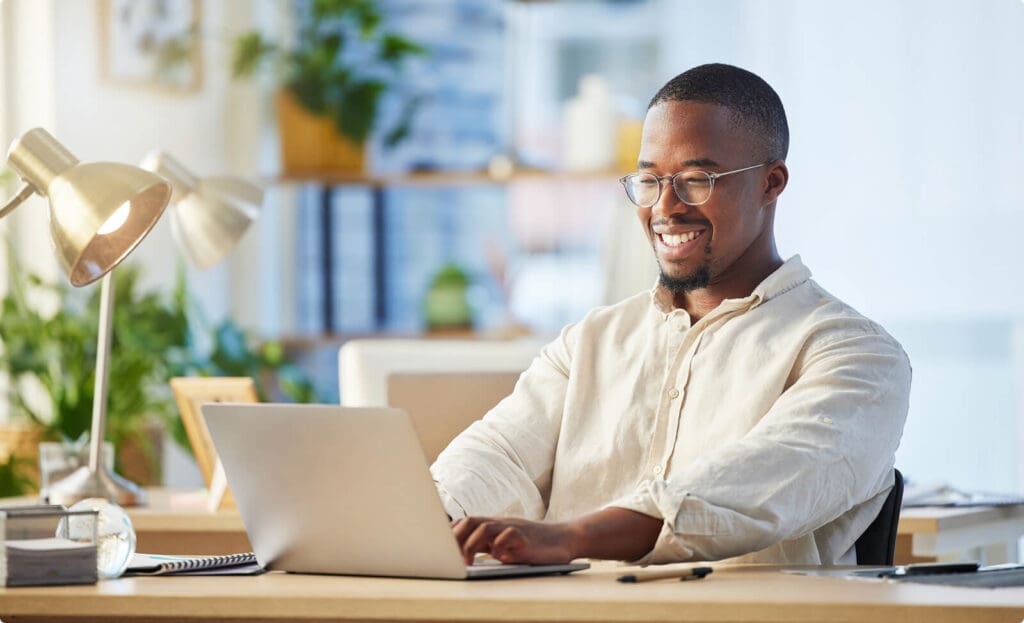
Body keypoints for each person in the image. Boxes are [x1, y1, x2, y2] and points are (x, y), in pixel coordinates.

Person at [430, 63, 911, 566]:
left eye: (696, 179)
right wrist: (429, 519)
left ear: (771, 183)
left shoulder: (858, 356)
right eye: (650, 179)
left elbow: (756, 483)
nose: (665, 207)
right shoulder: (592, 340)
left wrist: (569, 538)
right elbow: (498, 456)